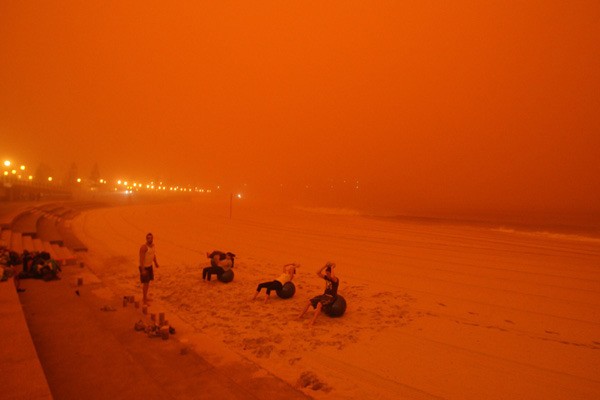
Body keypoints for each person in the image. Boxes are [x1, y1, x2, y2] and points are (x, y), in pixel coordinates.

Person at [298, 262, 339, 326]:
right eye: (326, 273)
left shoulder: (335, 280)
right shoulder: (326, 278)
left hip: (331, 297)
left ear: (331, 273)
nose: (327, 275)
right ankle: (300, 316)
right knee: (309, 302)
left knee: (319, 304)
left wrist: (332, 267)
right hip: (324, 295)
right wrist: (325, 266)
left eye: (328, 273)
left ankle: (313, 321)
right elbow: (317, 272)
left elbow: (332, 276)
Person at [139, 232, 159, 305]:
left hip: (150, 266)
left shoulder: (153, 246)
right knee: (145, 284)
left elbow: (153, 255)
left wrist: (156, 263)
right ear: (146, 239)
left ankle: (145, 297)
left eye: (151, 238)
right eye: (148, 238)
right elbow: (141, 259)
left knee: (148, 283)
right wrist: (143, 270)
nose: (149, 239)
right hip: (145, 267)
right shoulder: (143, 247)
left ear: (152, 238)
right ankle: (144, 300)